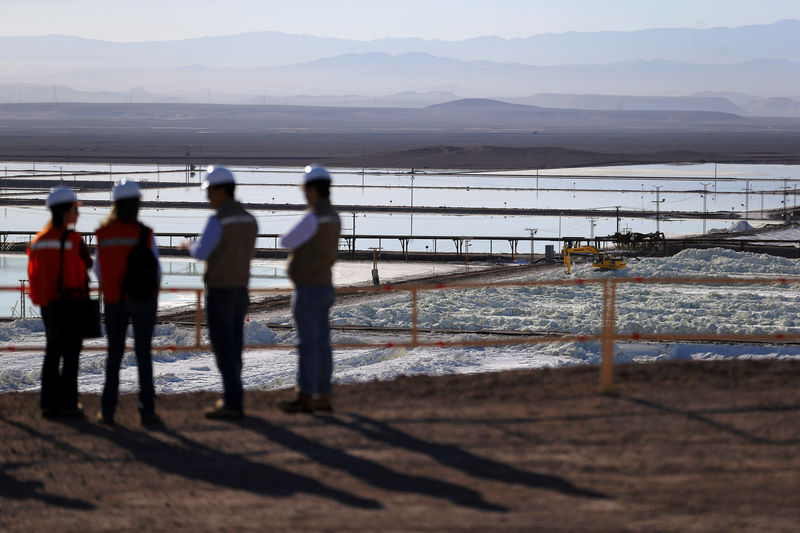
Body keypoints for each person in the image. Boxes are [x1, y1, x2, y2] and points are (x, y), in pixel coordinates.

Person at [187, 166, 257, 419]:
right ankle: (234, 399)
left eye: (209, 192)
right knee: (235, 347)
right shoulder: (249, 219)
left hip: (220, 291)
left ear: (220, 190)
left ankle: (231, 403)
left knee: (222, 348)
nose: (208, 198)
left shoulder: (217, 220)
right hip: (241, 290)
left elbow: (202, 252)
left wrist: (190, 245)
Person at [95, 179, 162, 426]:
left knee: (114, 356)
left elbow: (98, 270)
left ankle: (107, 410)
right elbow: (157, 271)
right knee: (143, 355)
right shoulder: (144, 233)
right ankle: (147, 411)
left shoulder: (104, 234)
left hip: (114, 301)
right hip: (143, 301)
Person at [279, 166, 341, 414]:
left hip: (307, 287)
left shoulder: (313, 217)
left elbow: (287, 241)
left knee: (307, 343)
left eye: (305, 190)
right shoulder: (334, 216)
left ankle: (305, 394)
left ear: (312, 190)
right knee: (323, 343)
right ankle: (324, 394)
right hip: (325, 284)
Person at [27, 187, 93, 419]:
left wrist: (41, 299)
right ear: (66, 211)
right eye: (75, 209)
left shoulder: (38, 240)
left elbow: (33, 274)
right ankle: (68, 404)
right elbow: (87, 265)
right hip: (71, 302)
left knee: (52, 351)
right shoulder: (73, 239)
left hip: (48, 304)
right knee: (71, 353)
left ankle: (48, 404)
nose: (78, 213)